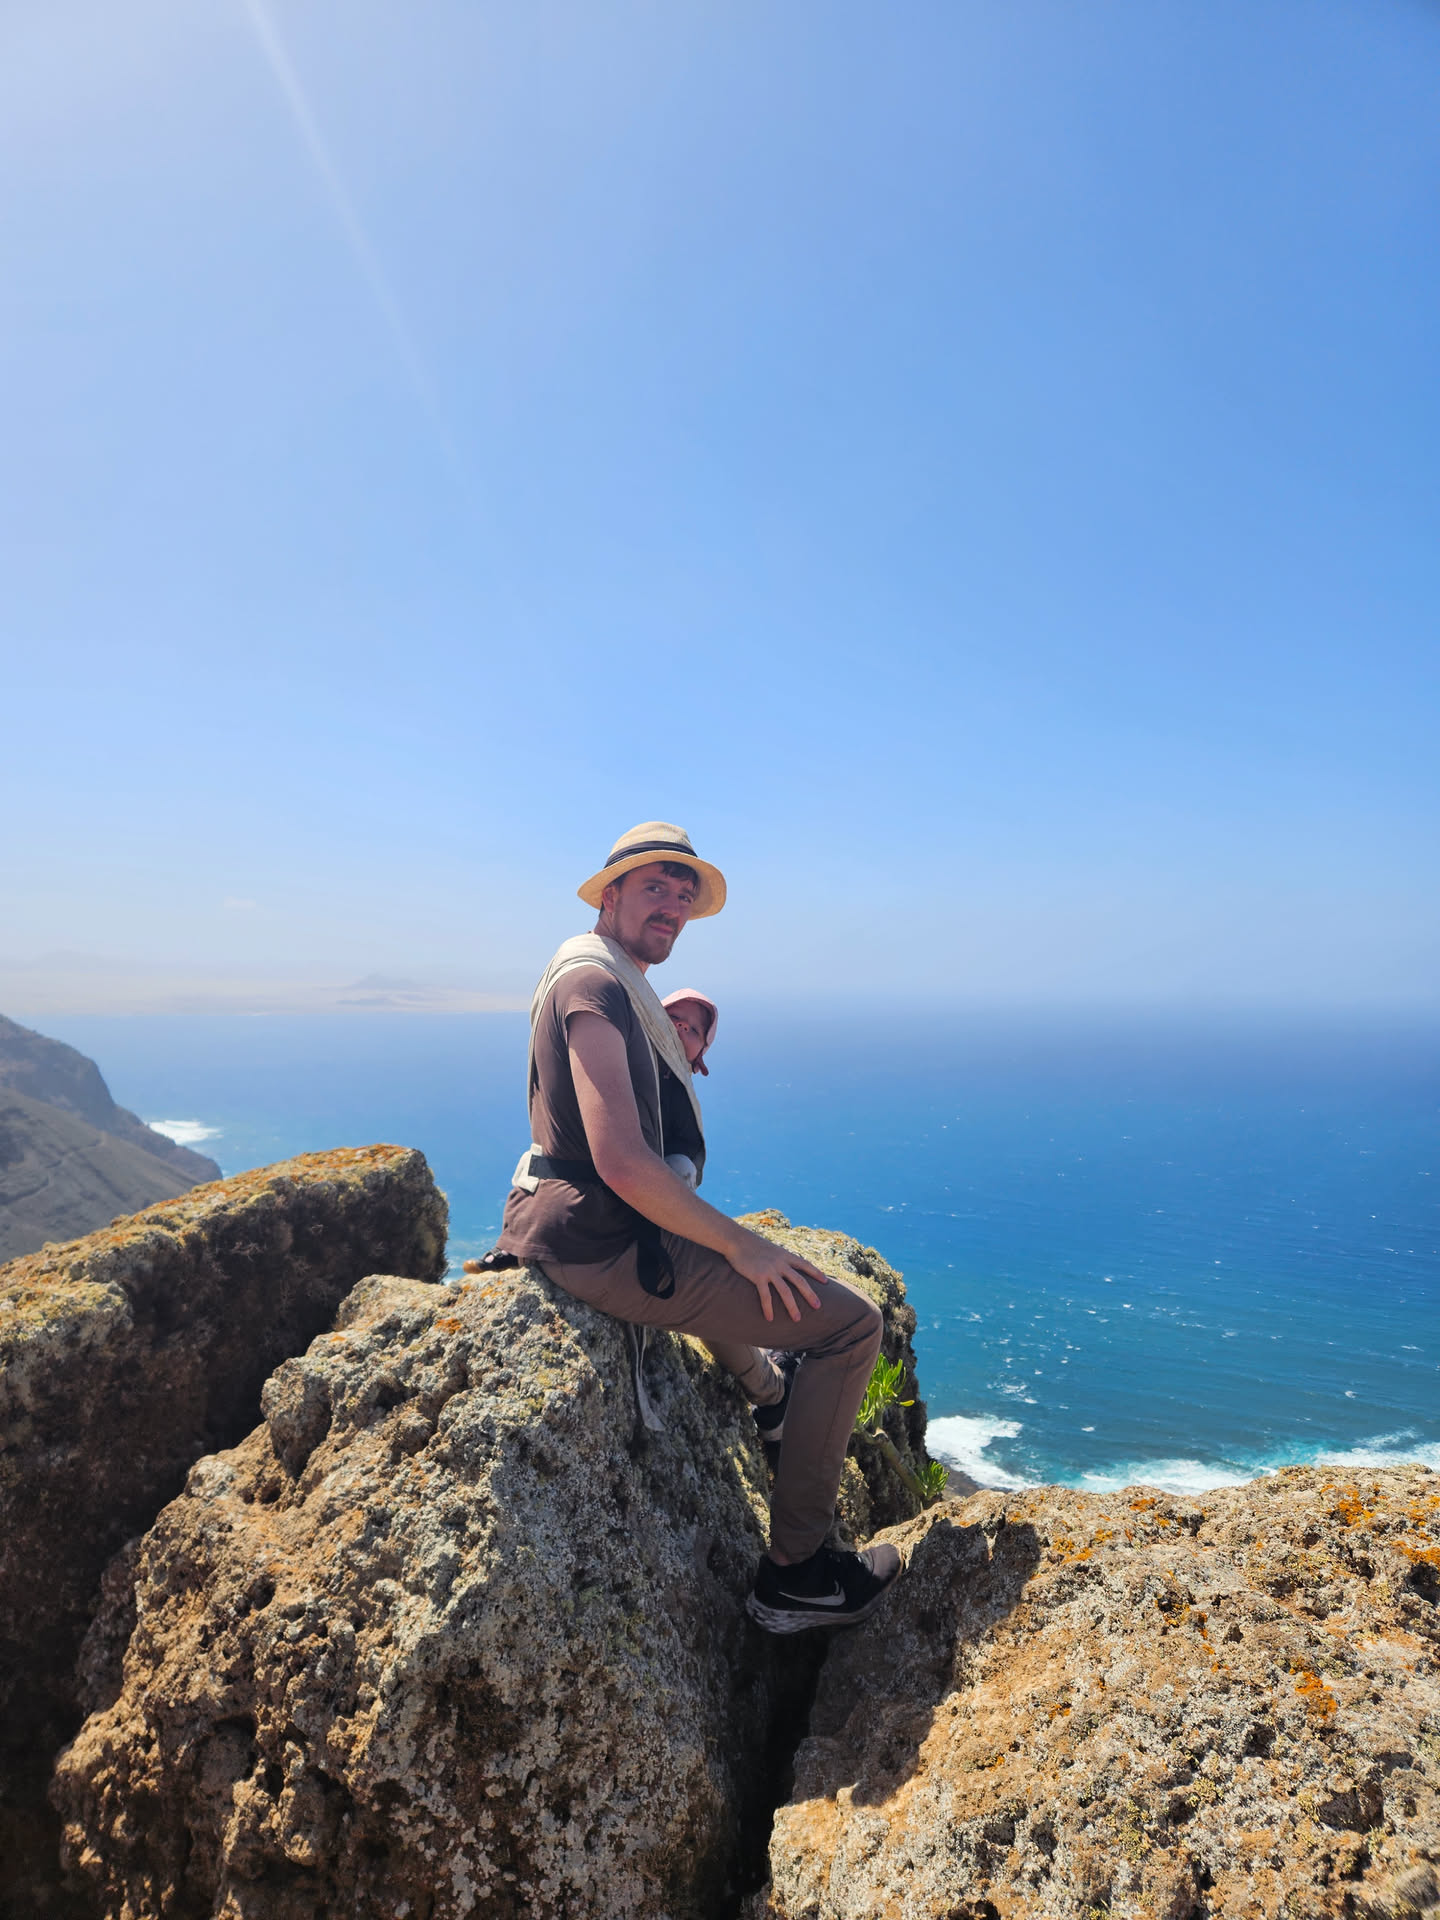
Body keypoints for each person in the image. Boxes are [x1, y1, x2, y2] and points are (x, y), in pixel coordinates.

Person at [492, 821, 901, 1633]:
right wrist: (745, 1246)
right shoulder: (594, 983)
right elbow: (622, 1163)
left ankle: (773, 1399)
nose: (673, 906)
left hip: (589, 1228)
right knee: (851, 1327)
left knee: (761, 1281)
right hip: (604, 1242)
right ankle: (798, 1576)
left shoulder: (612, 979)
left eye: (684, 894)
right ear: (611, 895)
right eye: (656, 887)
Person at [659, 989, 717, 1189]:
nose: (683, 1025)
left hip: (654, 1178)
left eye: (694, 1030)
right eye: (674, 1017)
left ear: (699, 1057)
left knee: (681, 1165)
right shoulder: (621, 1056)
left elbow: (687, 1145)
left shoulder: (681, 1092)